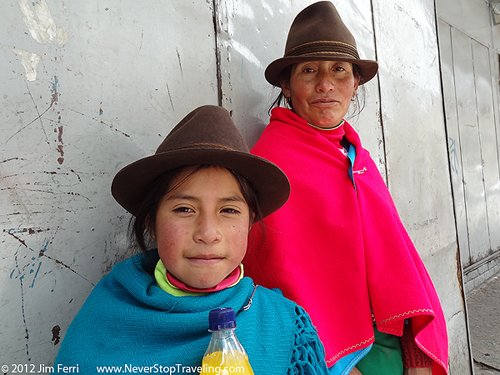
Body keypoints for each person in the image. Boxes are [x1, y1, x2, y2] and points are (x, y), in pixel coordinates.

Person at [243, 2, 448, 375]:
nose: (325, 85)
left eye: (339, 70)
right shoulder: (272, 164)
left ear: (355, 83)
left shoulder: (358, 158)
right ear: (287, 86)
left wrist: (415, 353)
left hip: (390, 342)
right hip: (325, 354)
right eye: (309, 71)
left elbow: (397, 260)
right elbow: (274, 279)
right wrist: (332, 364)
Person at [53, 105, 329, 374]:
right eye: (184, 209)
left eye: (229, 210)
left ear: (250, 221)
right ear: (152, 220)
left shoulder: (284, 325)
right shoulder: (104, 320)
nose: (208, 233)